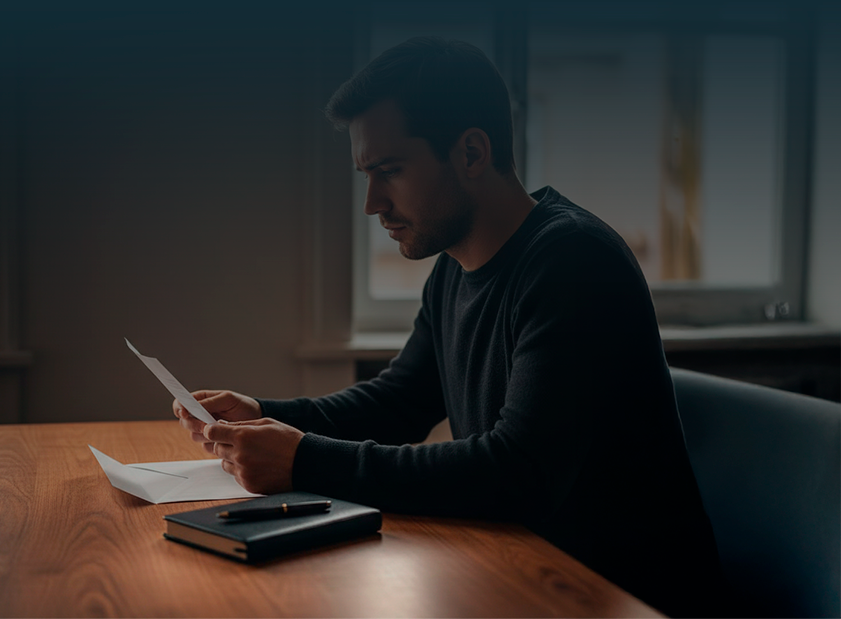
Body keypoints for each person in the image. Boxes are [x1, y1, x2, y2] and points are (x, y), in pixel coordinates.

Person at [174, 36, 725, 618]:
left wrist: (304, 458)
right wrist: (265, 414)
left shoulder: (573, 262)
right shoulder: (454, 270)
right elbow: (400, 402)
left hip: (618, 597)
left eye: (389, 171)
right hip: (521, 570)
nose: (371, 203)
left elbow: (518, 471)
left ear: (471, 153)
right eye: (367, 174)